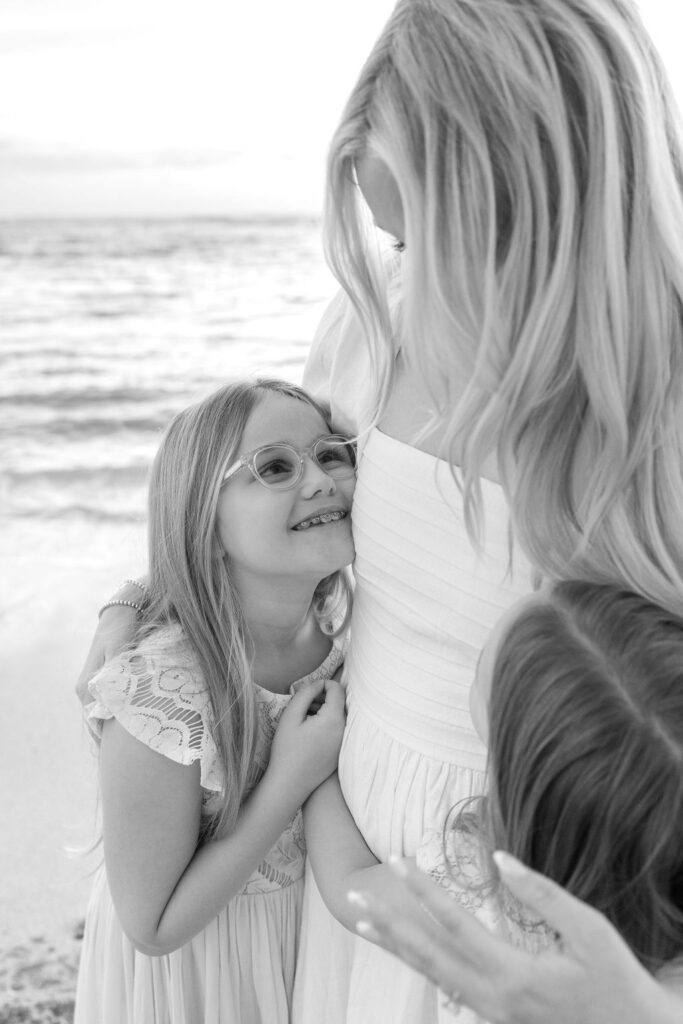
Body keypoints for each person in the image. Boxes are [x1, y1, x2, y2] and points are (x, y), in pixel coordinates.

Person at [81, 0, 683, 1019]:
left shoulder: (654, 403)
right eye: (387, 235)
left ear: (524, 194)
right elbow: (270, 521)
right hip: (349, 825)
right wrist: (135, 607)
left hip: (547, 863)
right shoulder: (373, 324)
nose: (402, 271)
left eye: (427, 230)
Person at [74, 378, 356, 1024]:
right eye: (275, 467)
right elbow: (153, 925)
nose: (318, 480)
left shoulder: (353, 634)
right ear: (205, 521)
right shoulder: (161, 688)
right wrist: (288, 780)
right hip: (192, 983)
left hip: (305, 957)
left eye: (332, 454)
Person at [301, 581, 683, 1022]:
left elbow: (351, 889)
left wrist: (315, 773)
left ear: (510, 756)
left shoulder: (484, 874)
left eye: (482, 664)